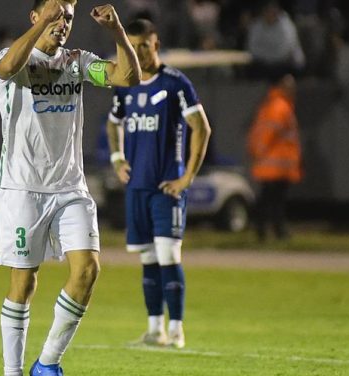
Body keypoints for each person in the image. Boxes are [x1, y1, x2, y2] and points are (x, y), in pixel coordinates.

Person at [0, 1, 140, 375]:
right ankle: (13, 372)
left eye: (68, 18)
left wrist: (117, 32)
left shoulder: (76, 61)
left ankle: (47, 364)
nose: (63, 24)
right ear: (35, 16)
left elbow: (127, 77)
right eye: (57, 15)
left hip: (70, 188)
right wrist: (44, 20)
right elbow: (7, 67)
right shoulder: (12, 59)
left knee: (87, 270)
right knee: (23, 284)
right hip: (22, 188)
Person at [105, 19, 211, 349]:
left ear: (157, 45)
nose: (138, 53)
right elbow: (112, 124)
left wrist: (187, 178)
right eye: (132, 47)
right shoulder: (125, 83)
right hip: (137, 187)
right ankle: (154, 330)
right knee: (148, 260)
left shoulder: (176, 83)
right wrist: (117, 159)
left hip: (166, 187)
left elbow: (201, 128)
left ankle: (177, 331)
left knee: (169, 256)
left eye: (144, 46)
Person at [247, 72, 303, 242]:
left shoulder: (274, 104)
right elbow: (268, 133)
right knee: (273, 200)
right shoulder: (280, 107)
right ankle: (271, 231)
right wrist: (259, 152)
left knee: (271, 200)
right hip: (274, 164)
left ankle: (269, 231)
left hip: (273, 163)